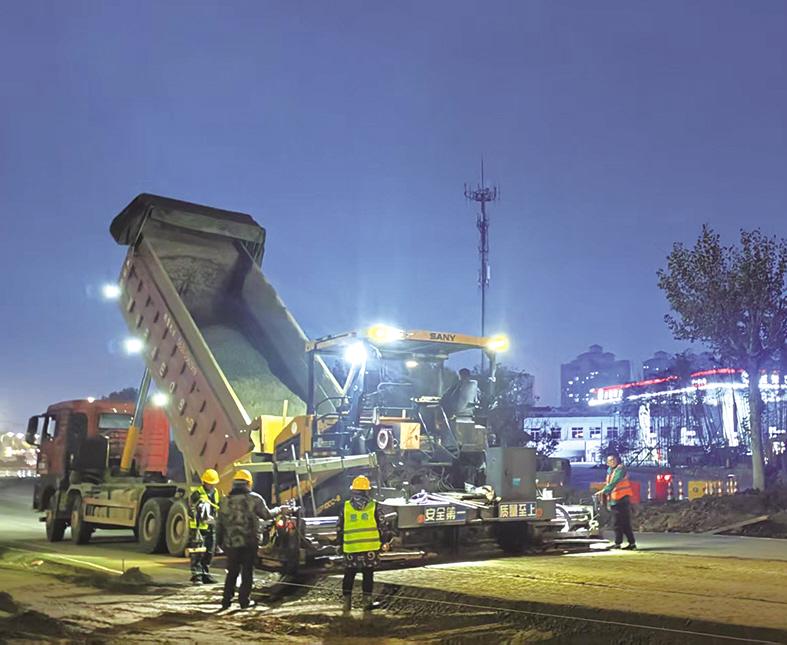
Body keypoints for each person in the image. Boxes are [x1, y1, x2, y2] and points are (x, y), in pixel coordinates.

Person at [215, 468, 277, 610]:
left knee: (232, 572)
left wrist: (218, 544)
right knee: (247, 572)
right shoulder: (255, 499)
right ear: (249, 483)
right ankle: (244, 601)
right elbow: (267, 515)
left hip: (231, 543)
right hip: (250, 542)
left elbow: (219, 525)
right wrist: (281, 510)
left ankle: (226, 601)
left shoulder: (225, 501)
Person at [338, 475, 386, 615]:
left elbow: (339, 528)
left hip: (351, 548)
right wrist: (384, 542)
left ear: (353, 491)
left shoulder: (345, 507)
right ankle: (367, 603)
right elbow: (382, 526)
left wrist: (340, 544)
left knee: (349, 575)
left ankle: (346, 604)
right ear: (367, 491)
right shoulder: (374, 506)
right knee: (368, 575)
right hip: (369, 549)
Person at [596, 453, 637, 550]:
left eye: (613, 460)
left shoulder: (620, 469)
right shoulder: (610, 471)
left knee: (617, 523)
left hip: (621, 499)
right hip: (615, 500)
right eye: (609, 461)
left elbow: (615, 482)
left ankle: (620, 543)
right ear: (607, 463)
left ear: (617, 460)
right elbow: (610, 483)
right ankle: (630, 543)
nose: (612, 462)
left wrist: (604, 491)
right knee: (623, 523)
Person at [189, 468, 221, 584]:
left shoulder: (216, 492)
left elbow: (217, 506)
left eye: (213, 483)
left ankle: (205, 574)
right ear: (204, 482)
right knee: (197, 553)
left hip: (211, 527)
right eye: (210, 483)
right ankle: (197, 576)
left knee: (209, 552)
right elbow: (191, 510)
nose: (212, 485)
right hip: (198, 528)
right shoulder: (197, 493)